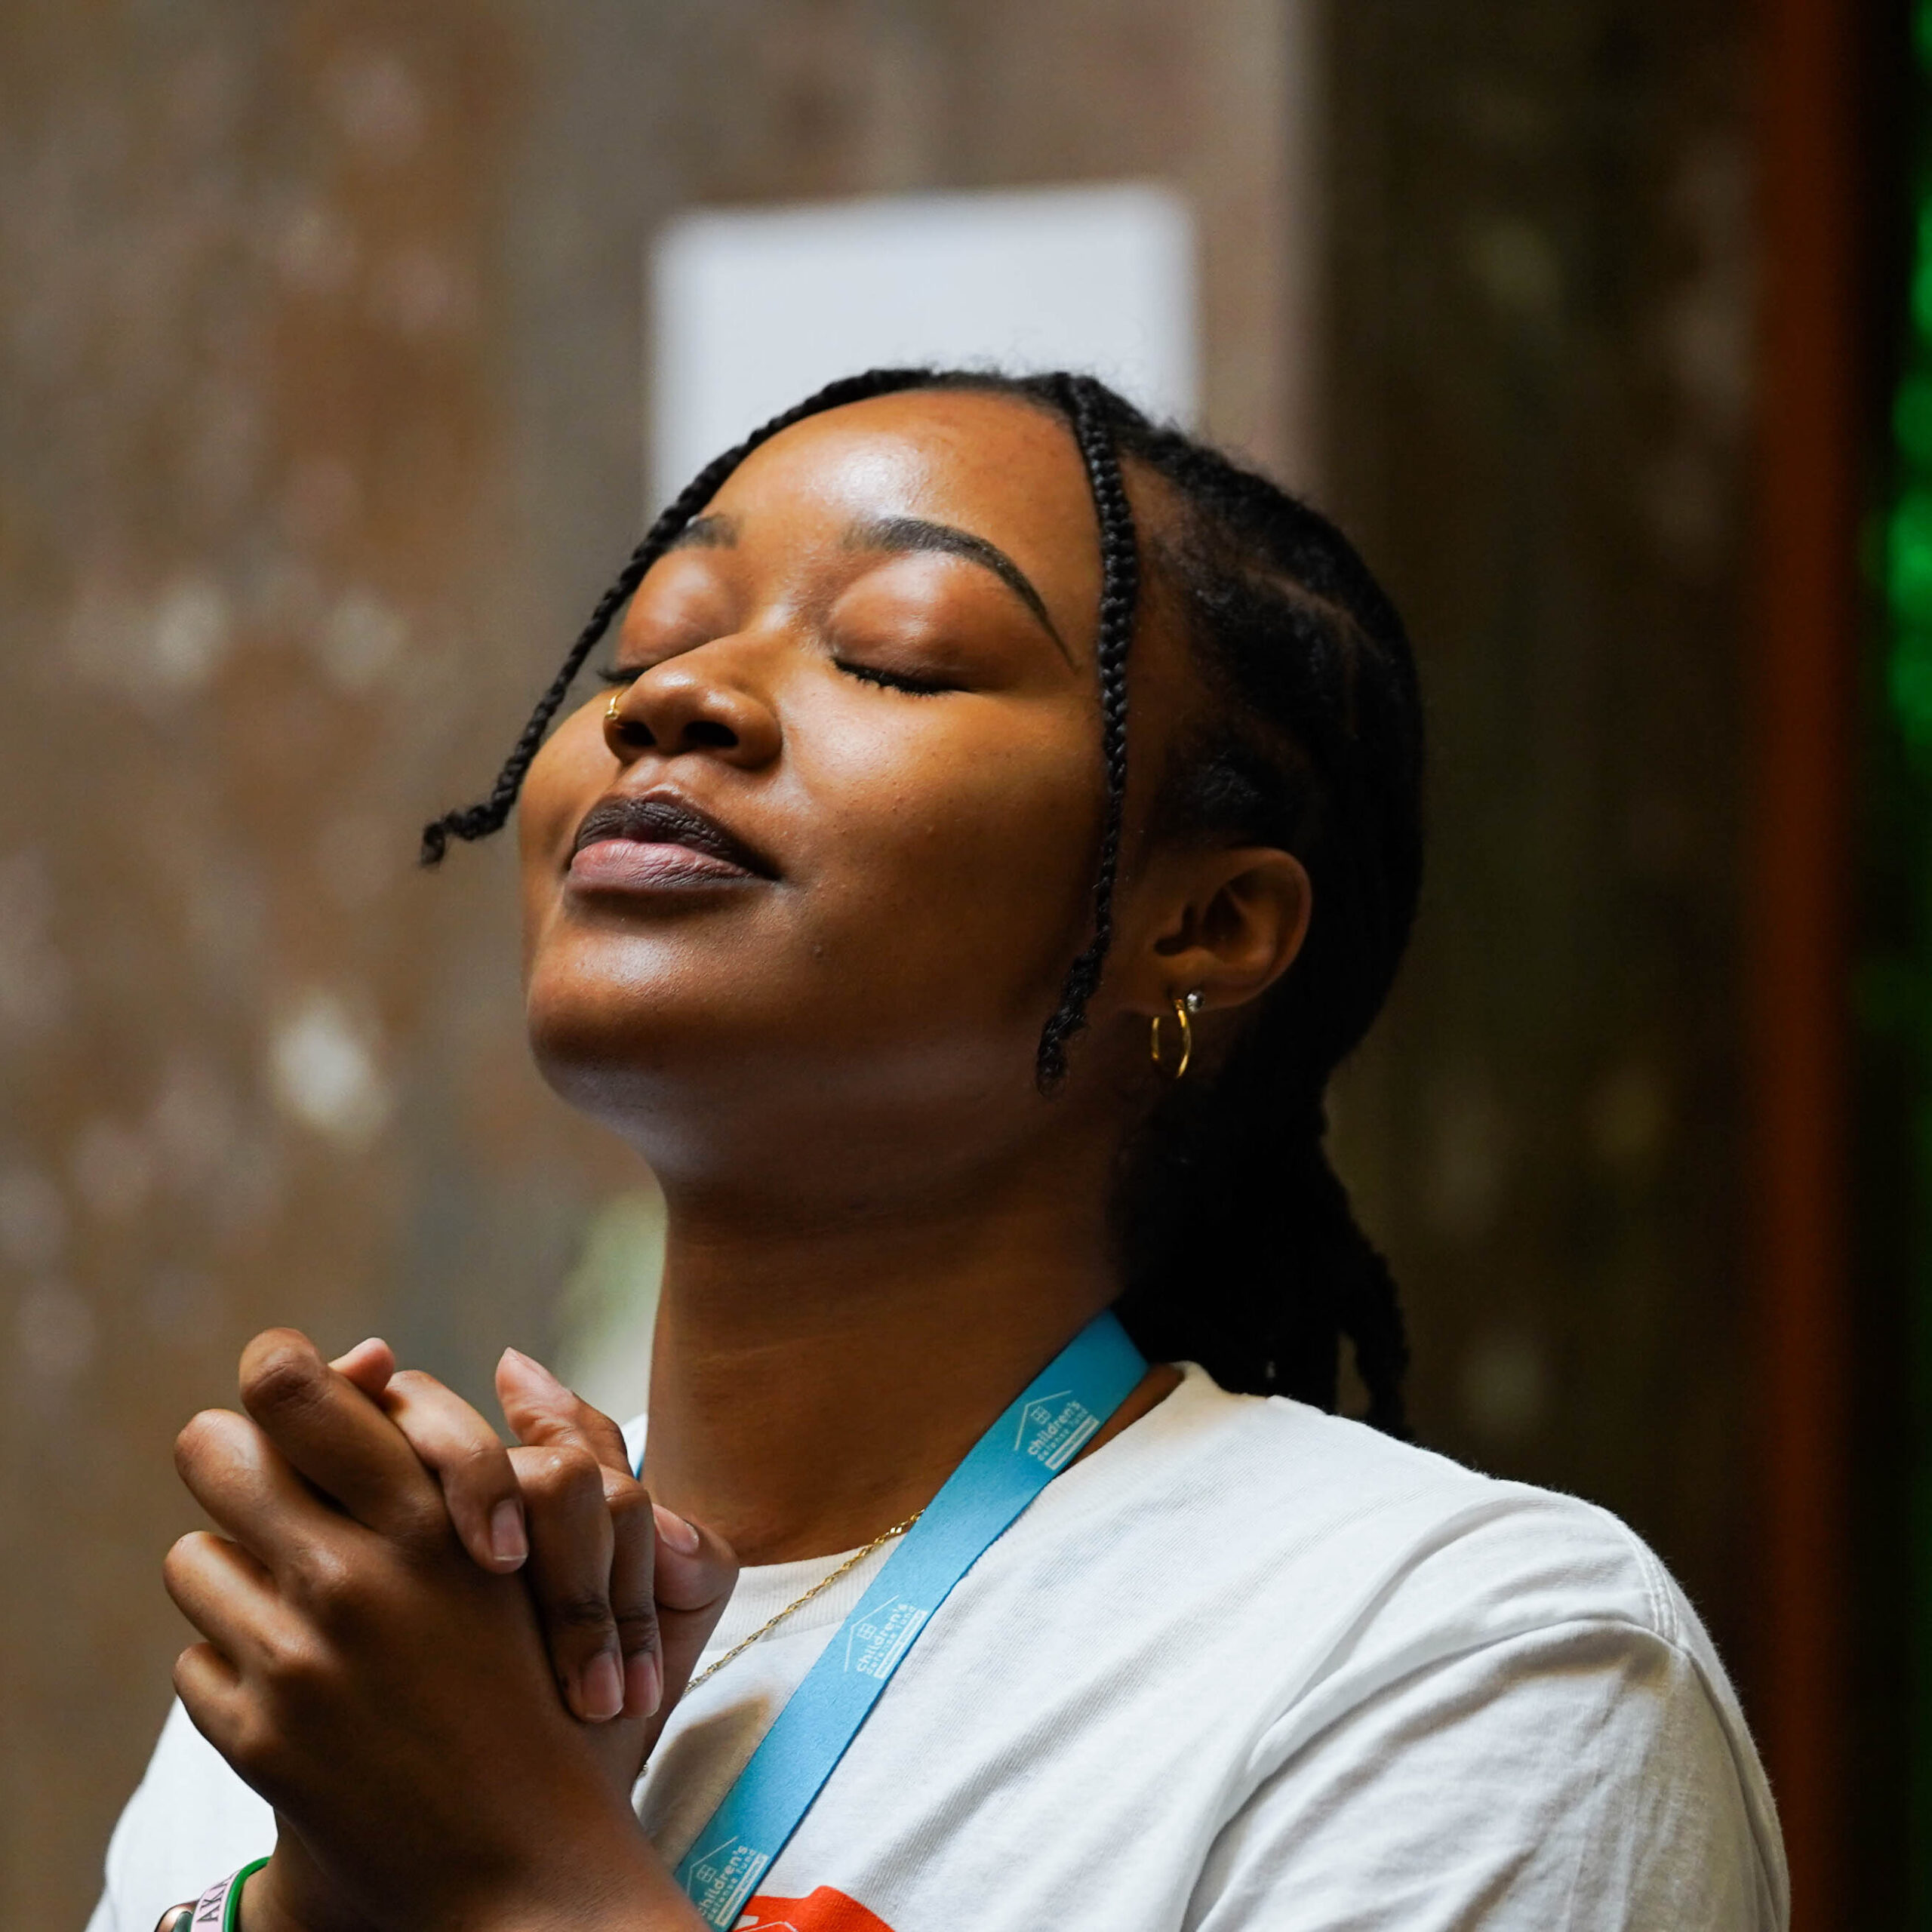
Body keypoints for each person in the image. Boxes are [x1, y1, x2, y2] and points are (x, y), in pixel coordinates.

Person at [88, 370, 1786, 1932]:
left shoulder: (1457, 1657)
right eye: (637, 653)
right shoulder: (354, 1672)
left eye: (893, 652)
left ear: (1196, 922)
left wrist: (509, 1869)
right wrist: (318, 1899)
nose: (674, 697)